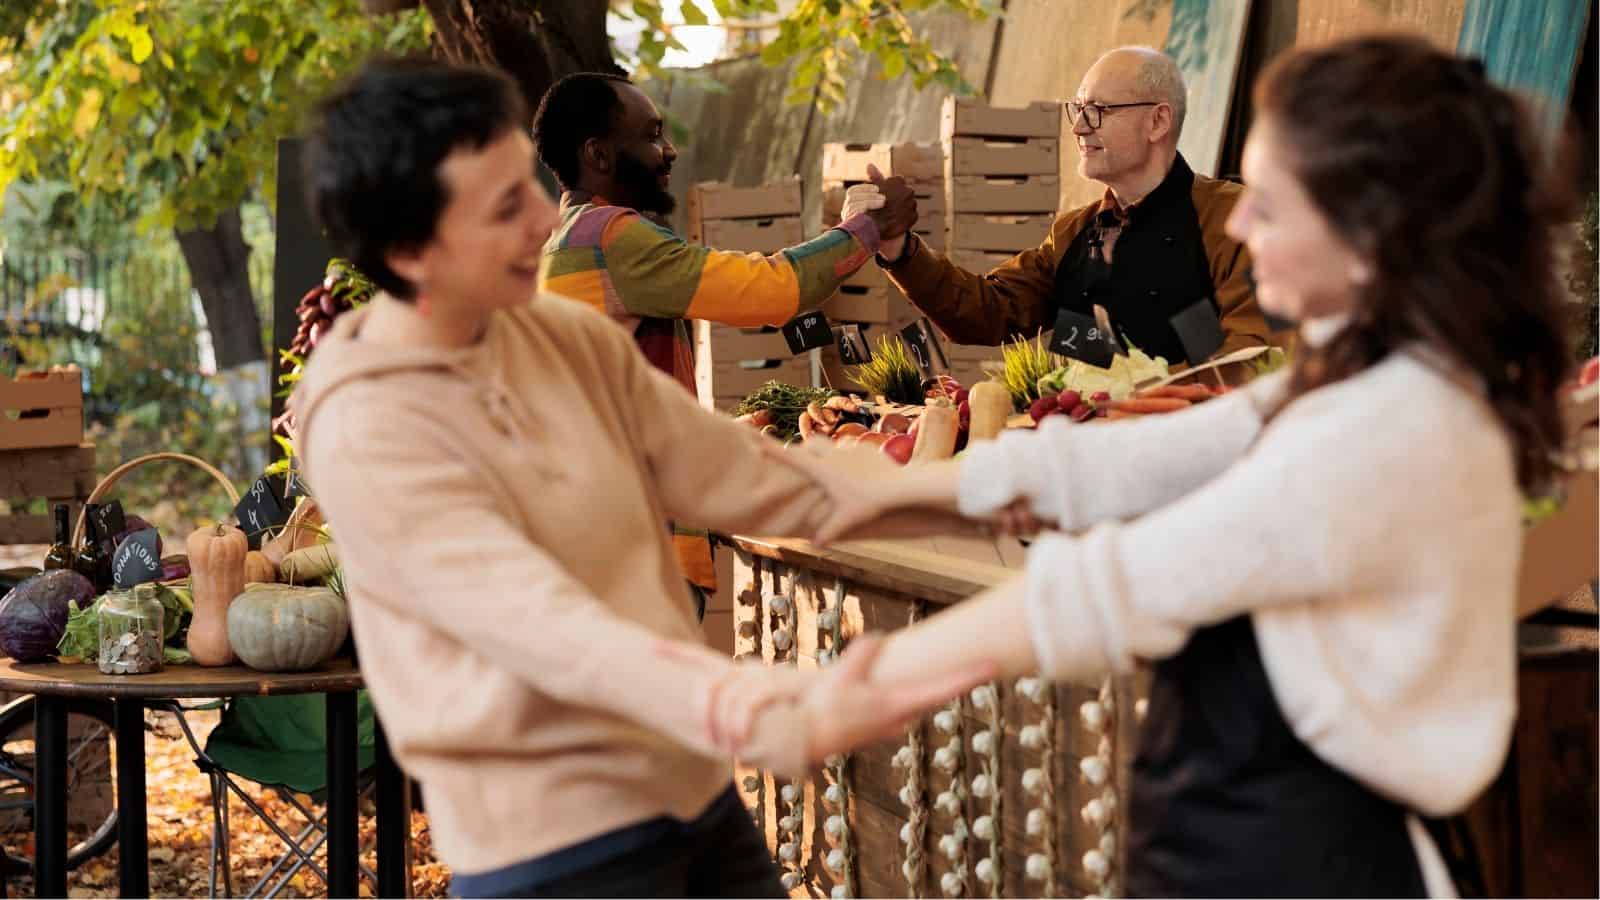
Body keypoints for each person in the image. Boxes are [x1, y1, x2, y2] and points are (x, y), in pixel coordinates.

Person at [751, 35, 1575, 896]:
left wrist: (856, 692)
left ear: (1364, 229)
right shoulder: (1368, 373)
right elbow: (1129, 460)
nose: (1247, 224)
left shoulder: (1387, 428)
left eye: (1274, 204)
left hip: (1316, 861)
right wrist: (880, 487)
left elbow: (1120, 585)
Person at [292, 58, 986, 898]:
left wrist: (1006, 493)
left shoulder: (558, 336)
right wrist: (747, 706)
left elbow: (756, 477)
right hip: (555, 854)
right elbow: (540, 624)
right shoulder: (368, 423)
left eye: (529, 185)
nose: (544, 219)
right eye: (505, 205)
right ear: (409, 250)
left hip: (695, 801)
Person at [532, 71, 917, 598]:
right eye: (649, 136)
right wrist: (867, 230)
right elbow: (770, 291)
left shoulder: (560, 247)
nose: (667, 151)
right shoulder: (611, 238)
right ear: (598, 155)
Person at [858, 46, 1287, 368]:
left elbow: (1251, 360)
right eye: (1078, 109)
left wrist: (1131, 402)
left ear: (1158, 121)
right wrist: (900, 250)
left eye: (1099, 110)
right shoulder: (1073, 234)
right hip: (1082, 453)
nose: (1080, 127)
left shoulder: (1233, 221)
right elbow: (989, 311)